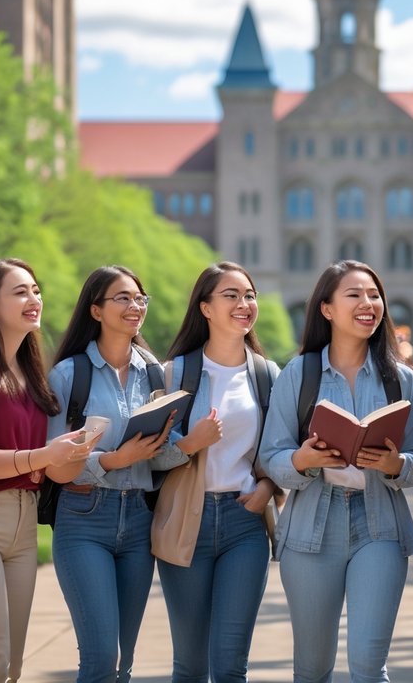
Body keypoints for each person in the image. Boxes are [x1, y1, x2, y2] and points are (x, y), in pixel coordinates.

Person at [258, 260, 413, 683]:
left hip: (380, 526)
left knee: (369, 664)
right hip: (311, 528)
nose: (368, 303)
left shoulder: (401, 379)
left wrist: (396, 465)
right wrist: (304, 460)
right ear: (327, 309)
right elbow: (271, 456)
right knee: (313, 668)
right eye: (354, 295)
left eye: (374, 295)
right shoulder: (299, 374)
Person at [0, 259, 102, 683]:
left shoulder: (33, 373)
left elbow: (44, 461)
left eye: (36, 290)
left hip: (25, 523)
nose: (34, 299)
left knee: (13, 663)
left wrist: (78, 451)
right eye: (20, 292)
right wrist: (41, 457)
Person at [46, 265, 175, 683]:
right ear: (96, 310)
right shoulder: (69, 375)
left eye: (140, 298)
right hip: (84, 517)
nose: (135, 306)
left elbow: (156, 455)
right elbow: (53, 462)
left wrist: (185, 445)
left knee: (123, 664)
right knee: (100, 658)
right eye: (123, 298)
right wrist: (114, 459)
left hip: (139, 519)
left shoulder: (156, 374)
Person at [154, 262, 281, 682]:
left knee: (230, 664)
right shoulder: (175, 373)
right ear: (205, 308)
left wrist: (267, 486)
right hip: (185, 520)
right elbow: (150, 458)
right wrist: (191, 443)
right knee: (190, 664)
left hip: (243, 522)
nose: (244, 304)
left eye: (250, 295)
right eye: (231, 296)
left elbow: (281, 450)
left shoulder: (266, 375)